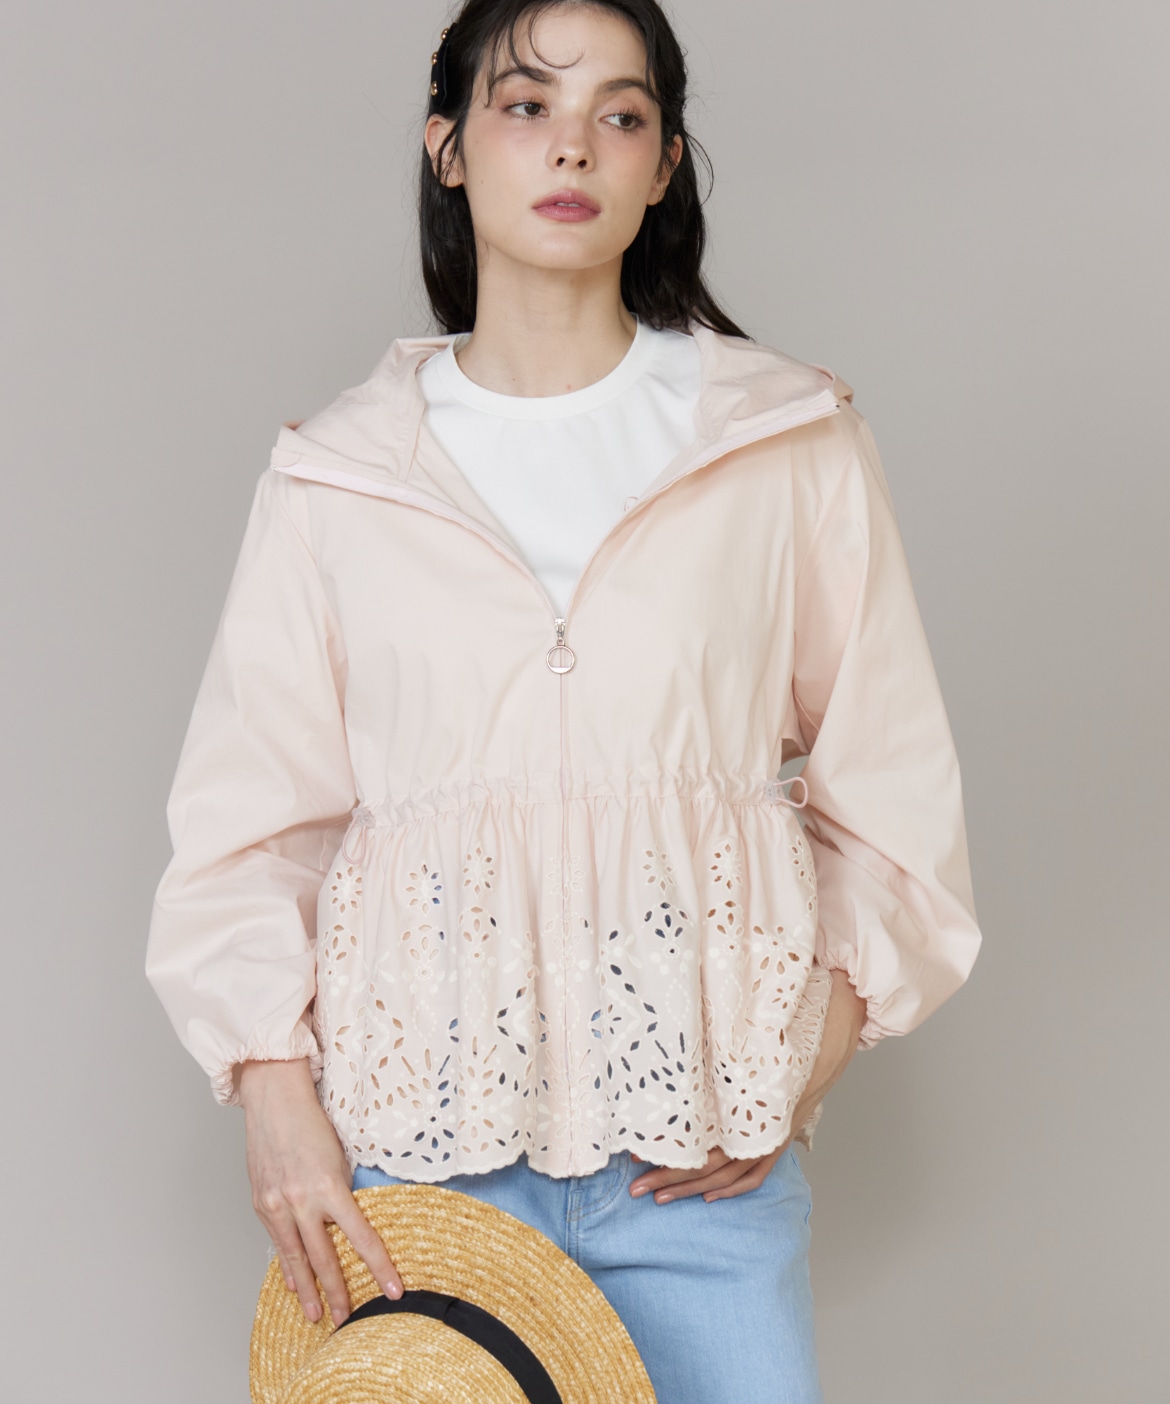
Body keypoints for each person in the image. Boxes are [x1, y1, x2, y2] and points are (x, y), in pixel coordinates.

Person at [146, 2, 983, 1400]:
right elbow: (250, 830)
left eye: (621, 113)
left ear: (663, 165)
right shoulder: (339, 474)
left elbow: (892, 793)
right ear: (449, 146)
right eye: (526, 104)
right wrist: (274, 1103)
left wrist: (804, 1057)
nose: (573, 145)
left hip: (700, 1180)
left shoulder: (784, 441)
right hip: (419, 1180)